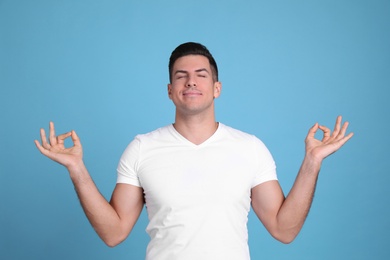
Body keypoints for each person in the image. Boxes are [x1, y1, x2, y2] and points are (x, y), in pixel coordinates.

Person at [35, 42, 353, 260]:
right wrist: (77, 169)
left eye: (201, 75)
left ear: (217, 88)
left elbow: (284, 229)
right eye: (181, 76)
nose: (191, 82)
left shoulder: (250, 148)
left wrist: (312, 162)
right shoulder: (142, 148)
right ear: (170, 90)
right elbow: (114, 232)